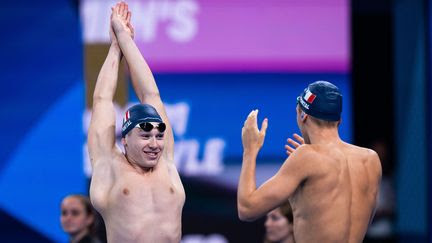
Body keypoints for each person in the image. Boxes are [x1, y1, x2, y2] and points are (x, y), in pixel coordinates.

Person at [87, 2, 185, 242]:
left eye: (159, 135)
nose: (155, 143)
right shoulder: (109, 166)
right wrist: (114, 46)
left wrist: (127, 39)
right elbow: (102, 100)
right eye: (145, 135)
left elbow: (151, 95)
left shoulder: (166, 163)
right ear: (126, 139)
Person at [238, 81, 382, 242]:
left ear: (302, 115)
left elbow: (247, 208)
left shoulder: (306, 156)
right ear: (339, 120)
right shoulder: (370, 160)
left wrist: (250, 151)